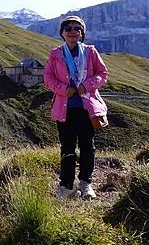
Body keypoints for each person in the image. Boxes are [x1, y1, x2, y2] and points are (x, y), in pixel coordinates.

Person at [43, 15, 108, 199]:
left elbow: (102, 74)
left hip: (87, 108)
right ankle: (66, 185)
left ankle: (86, 184)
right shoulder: (55, 54)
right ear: (62, 33)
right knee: (67, 147)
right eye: (68, 28)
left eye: (77, 28)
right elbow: (48, 78)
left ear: (82, 33)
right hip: (65, 108)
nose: (73, 31)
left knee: (88, 146)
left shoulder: (90, 52)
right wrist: (64, 89)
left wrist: (85, 86)